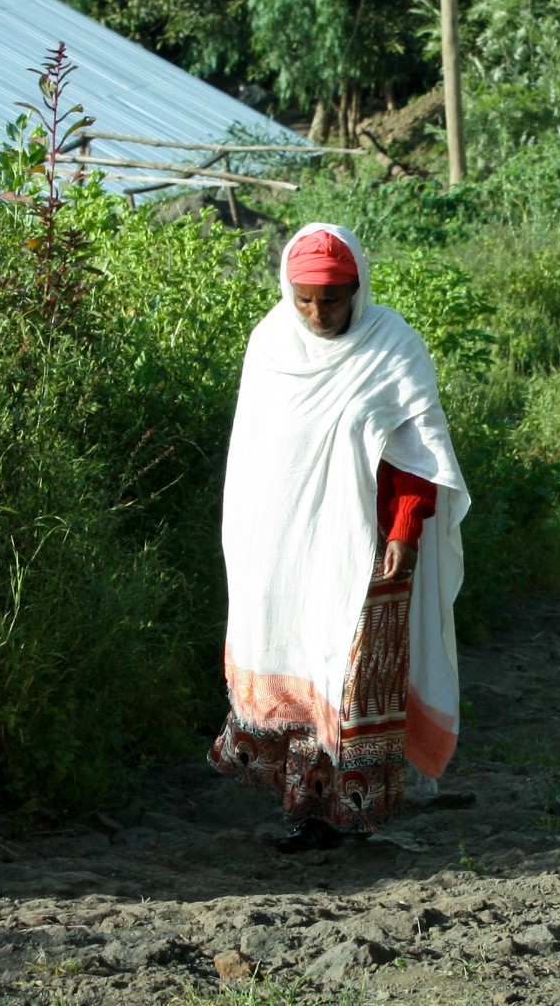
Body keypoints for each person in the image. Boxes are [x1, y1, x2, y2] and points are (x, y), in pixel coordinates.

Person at [209, 222, 468, 853]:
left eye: (332, 298)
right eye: (305, 299)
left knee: (354, 677)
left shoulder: (393, 348)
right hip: (287, 550)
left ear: (359, 289)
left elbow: (417, 454)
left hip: (371, 544)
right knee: (303, 665)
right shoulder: (271, 346)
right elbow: (254, 459)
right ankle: (306, 810)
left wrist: (407, 530)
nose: (318, 313)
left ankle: (350, 812)